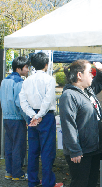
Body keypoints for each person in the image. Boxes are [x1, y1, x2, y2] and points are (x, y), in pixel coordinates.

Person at [59, 60, 102, 187]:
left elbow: (100, 83)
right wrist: (74, 150)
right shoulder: (69, 95)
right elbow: (68, 124)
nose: (92, 75)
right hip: (80, 150)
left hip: (92, 147)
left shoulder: (87, 91)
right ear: (79, 75)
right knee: (80, 183)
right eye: (90, 72)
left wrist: (101, 71)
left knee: (91, 182)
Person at [19, 52, 57, 187]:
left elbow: (22, 101)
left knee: (33, 150)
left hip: (33, 116)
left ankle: (33, 181)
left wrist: (33, 115)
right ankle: (48, 182)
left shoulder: (27, 80)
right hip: (45, 116)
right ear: (46, 65)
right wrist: (39, 115)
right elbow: (48, 100)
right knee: (47, 150)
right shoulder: (49, 79)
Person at [0, 57, 29, 181]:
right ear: (19, 68)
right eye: (26, 67)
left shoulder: (4, 81)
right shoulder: (19, 82)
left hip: (6, 118)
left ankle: (9, 172)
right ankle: (18, 173)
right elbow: (20, 103)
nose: (28, 70)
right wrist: (27, 119)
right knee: (18, 146)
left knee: (9, 146)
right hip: (17, 118)